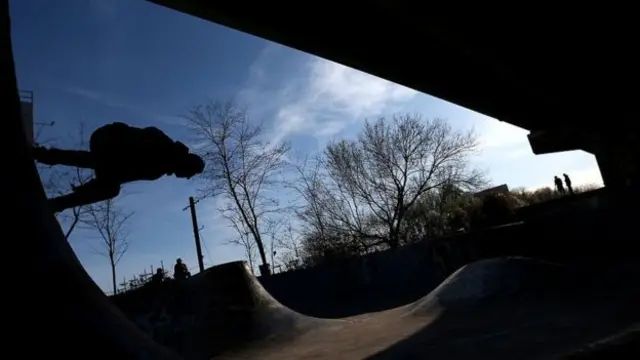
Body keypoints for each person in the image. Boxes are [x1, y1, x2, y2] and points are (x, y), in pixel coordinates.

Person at [32, 122, 205, 213]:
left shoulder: (159, 169)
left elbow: (118, 176)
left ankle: (55, 203)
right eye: (189, 174)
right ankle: (44, 156)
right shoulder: (162, 146)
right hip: (108, 139)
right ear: (186, 164)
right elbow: (126, 153)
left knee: (110, 187)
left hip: (112, 154)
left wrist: (89, 189)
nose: (186, 177)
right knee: (104, 165)